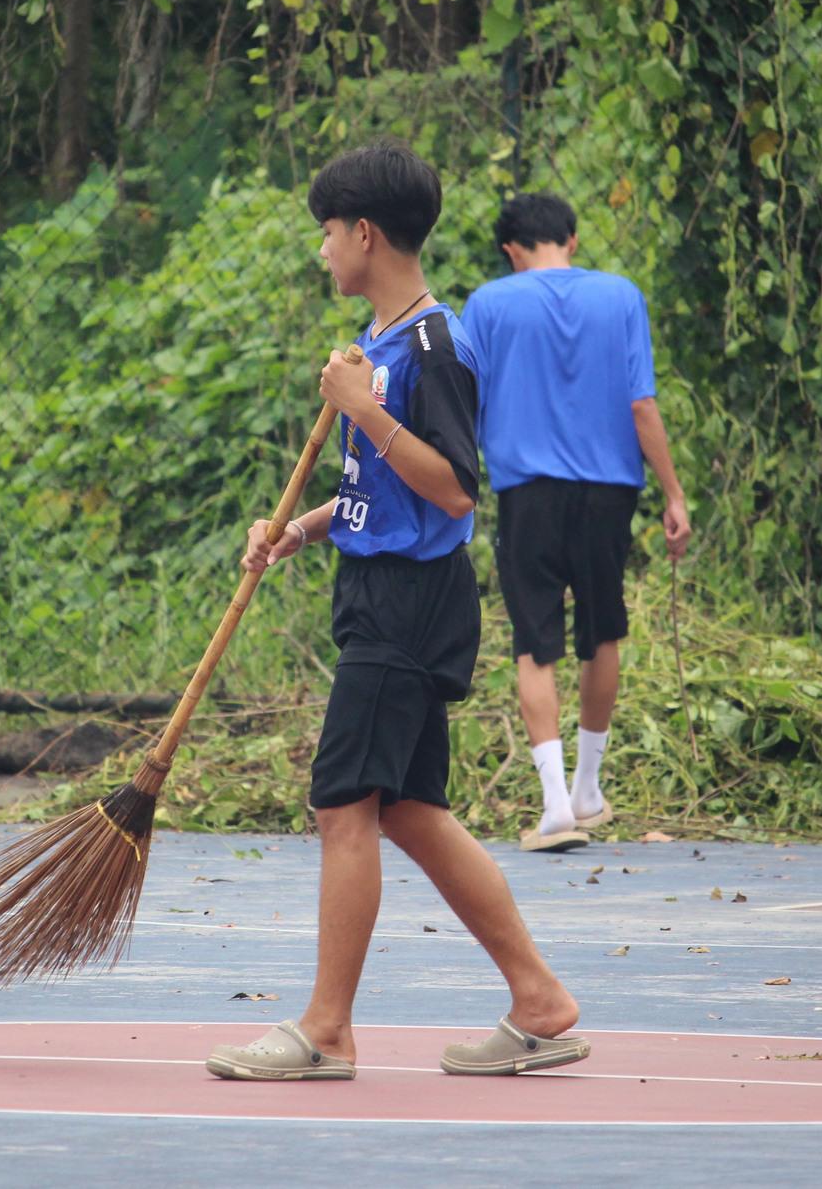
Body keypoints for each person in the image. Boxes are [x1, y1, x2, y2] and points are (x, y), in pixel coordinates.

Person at [207, 143, 588, 1082]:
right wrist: (301, 528)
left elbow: (457, 489)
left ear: (365, 234)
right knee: (411, 812)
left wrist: (363, 413)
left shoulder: (432, 347)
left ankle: (326, 1030)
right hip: (379, 589)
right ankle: (540, 1002)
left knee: (343, 805)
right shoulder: (374, 349)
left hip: (412, 604)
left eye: (328, 234)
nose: (324, 251)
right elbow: (385, 491)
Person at [462, 192, 692, 853]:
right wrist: (673, 493)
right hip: (609, 491)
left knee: (535, 641)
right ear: (574, 238)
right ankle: (590, 787)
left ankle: (555, 802)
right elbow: (641, 405)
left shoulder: (489, 304)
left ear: (511, 249)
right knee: (602, 629)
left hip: (525, 491)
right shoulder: (620, 296)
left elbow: (467, 403)